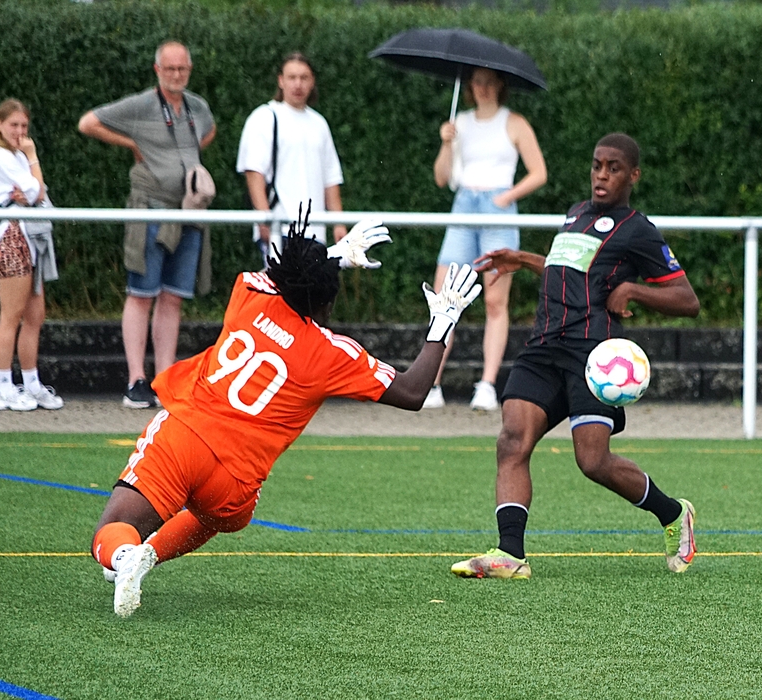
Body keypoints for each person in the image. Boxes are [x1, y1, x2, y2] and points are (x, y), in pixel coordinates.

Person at [91, 213, 481, 617]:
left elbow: (277, 276)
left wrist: (334, 255)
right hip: (235, 483)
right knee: (211, 516)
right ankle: (145, 558)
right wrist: (443, 321)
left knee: (113, 529)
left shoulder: (248, 293)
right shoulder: (332, 353)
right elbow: (414, 392)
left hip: (184, 436)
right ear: (326, 302)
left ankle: (124, 557)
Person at [451, 133, 701, 579]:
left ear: (633, 175)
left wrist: (633, 290)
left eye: (613, 168)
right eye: (596, 165)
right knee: (512, 440)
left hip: (592, 355)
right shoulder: (575, 213)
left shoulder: (638, 230)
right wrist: (525, 259)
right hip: (544, 346)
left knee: (593, 462)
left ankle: (673, 513)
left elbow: (688, 300)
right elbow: (570, 269)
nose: (601, 175)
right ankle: (510, 554)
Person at [78, 40, 217, 409]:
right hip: (151, 210)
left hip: (188, 210)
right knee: (141, 293)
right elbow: (88, 123)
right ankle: (136, 379)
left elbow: (209, 131)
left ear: (190, 69)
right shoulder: (141, 105)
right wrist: (132, 144)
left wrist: (186, 160)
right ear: (157, 70)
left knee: (173, 296)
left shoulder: (197, 107)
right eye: (170, 68)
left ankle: (164, 379)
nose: (176, 75)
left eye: (182, 68)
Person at [424, 67, 547, 411]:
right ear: (470, 86)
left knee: (495, 301)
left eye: (490, 82)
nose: (483, 88)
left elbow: (539, 172)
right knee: (444, 298)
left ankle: (487, 385)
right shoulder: (459, 123)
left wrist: (505, 198)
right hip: (463, 206)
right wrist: (446, 143)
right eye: (478, 82)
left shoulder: (515, 122)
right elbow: (441, 178)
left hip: (497, 210)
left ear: (500, 85)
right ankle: (430, 383)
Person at [0, 99, 64, 412]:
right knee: (11, 316)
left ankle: (31, 383)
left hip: (30, 237)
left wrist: (32, 189)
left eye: (24, 126)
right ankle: (3, 388)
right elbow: (37, 191)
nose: (19, 131)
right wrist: (33, 158)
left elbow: (36, 194)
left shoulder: (15, 156)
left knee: (34, 316)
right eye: (13, 125)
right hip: (9, 238)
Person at [237, 52, 348, 262]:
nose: (298, 84)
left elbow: (331, 179)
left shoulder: (319, 124)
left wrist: (338, 224)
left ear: (312, 81)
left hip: (315, 233)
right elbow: (254, 173)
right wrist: (264, 219)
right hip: (280, 229)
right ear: (281, 81)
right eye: (292, 77)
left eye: (304, 78)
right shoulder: (264, 117)